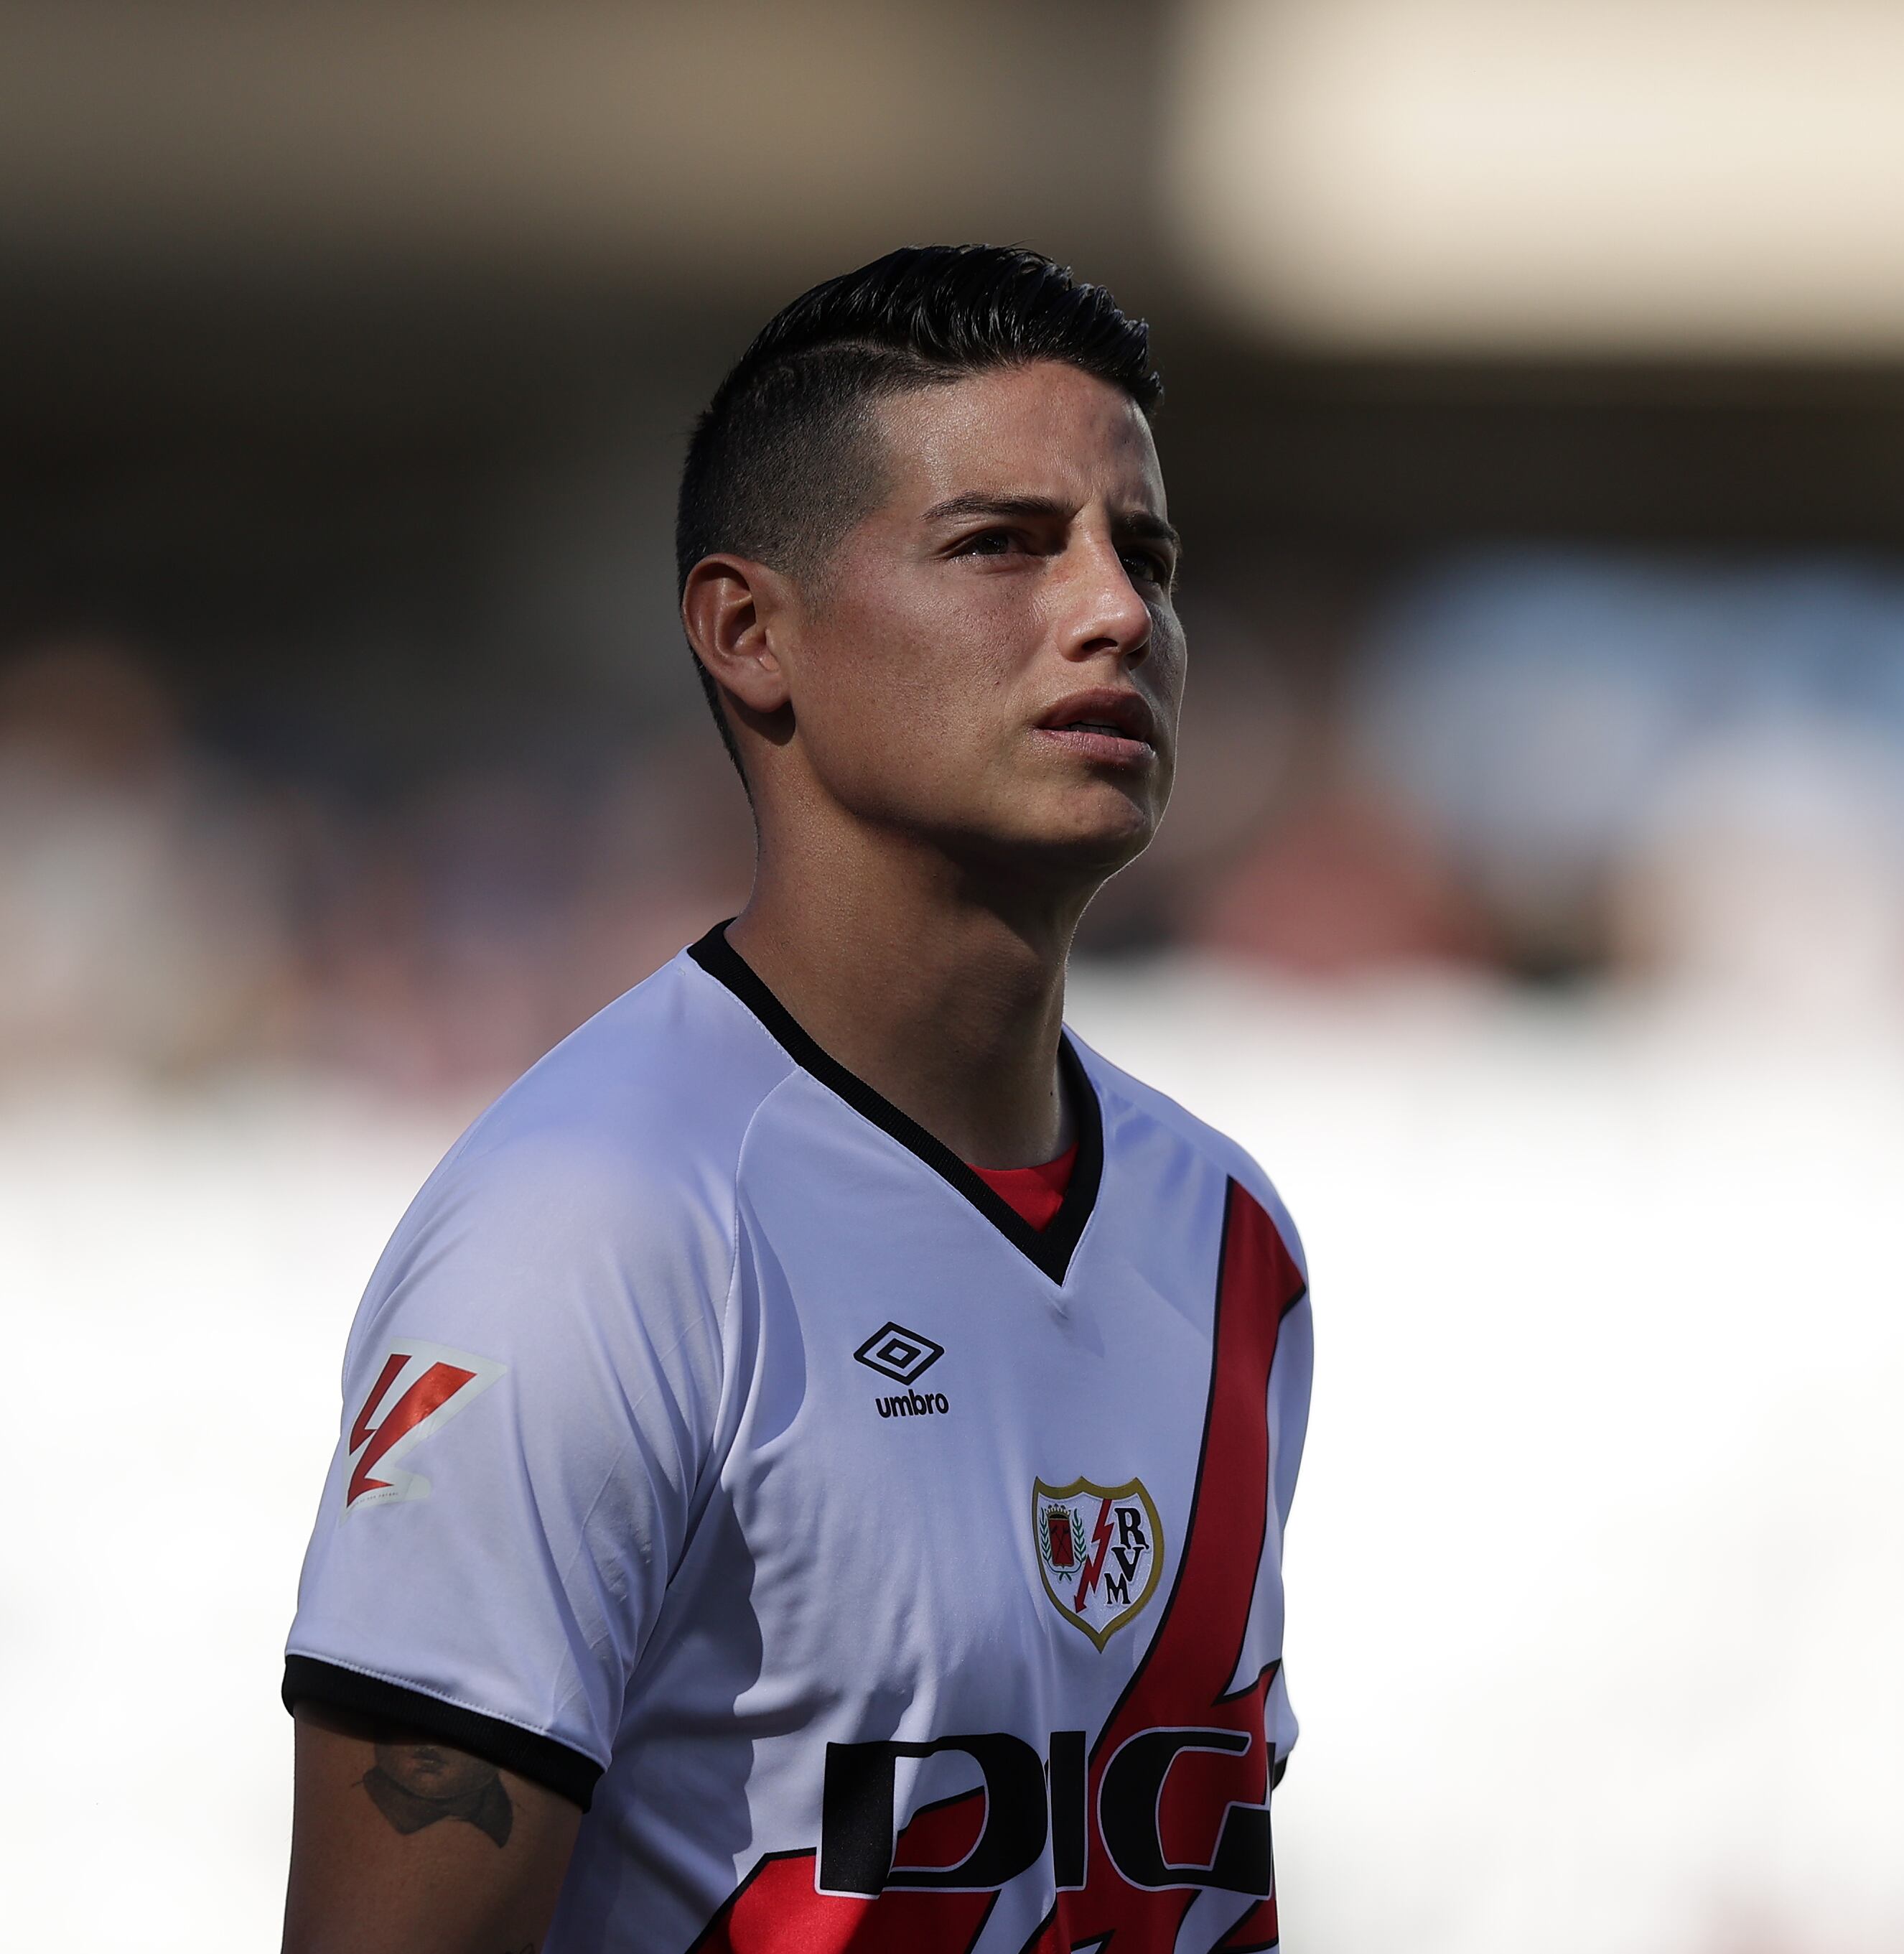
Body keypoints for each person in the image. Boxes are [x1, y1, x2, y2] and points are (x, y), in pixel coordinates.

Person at [278, 246, 1313, 1954]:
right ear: (750, 633)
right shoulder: (592, 1225)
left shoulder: (1227, 1235)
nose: (1117, 611)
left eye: (1146, 553)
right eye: (1003, 544)